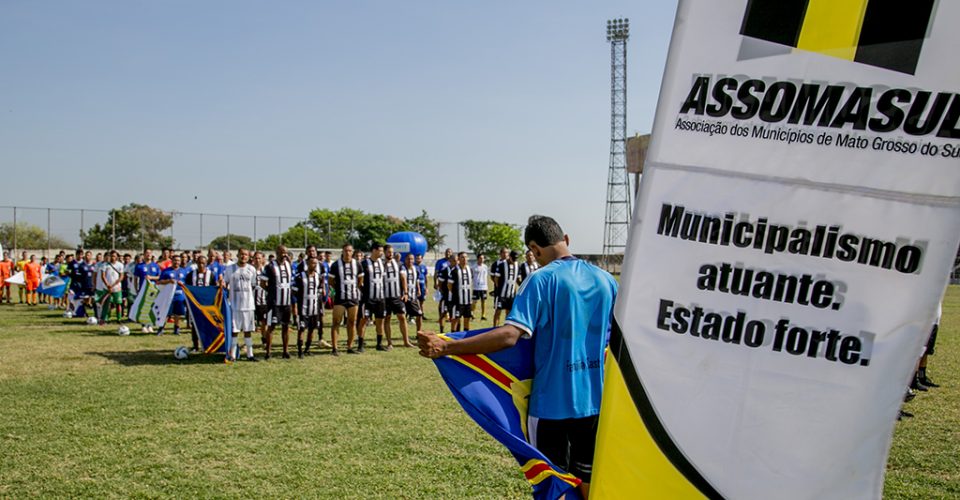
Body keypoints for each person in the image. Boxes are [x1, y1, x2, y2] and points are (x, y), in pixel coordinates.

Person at [419, 216, 617, 497]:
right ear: (566, 240)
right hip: (595, 402)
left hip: (552, 405)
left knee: (553, 482)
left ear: (534, 250)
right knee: (590, 480)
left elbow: (510, 336)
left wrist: (445, 347)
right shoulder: (606, 279)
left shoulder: (540, 279)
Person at [222, 248, 259, 362]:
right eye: (242, 254)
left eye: (246, 255)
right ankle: (232, 355)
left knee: (248, 330)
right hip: (235, 305)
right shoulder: (230, 269)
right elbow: (225, 283)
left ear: (248, 257)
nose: (244, 256)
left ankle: (250, 354)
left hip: (248, 305)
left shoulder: (252, 269)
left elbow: (253, 285)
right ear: (237, 255)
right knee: (235, 330)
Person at [262, 245, 294, 359]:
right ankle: (268, 352)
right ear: (277, 253)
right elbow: (263, 283)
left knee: (286, 327)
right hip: (274, 303)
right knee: (271, 326)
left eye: (285, 252)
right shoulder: (270, 266)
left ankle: (285, 351)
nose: (284, 254)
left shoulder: (289, 265)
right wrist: (272, 291)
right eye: (282, 252)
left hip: (286, 302)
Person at [329, 244, 362, 356]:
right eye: (346, 250)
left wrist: (354, 288)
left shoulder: (357, 264)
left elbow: (360, 279)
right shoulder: (335, 265)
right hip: (340, 298)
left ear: (352, 252)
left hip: (353, 297)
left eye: (350, 251)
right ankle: (334, 348)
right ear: (342, 251)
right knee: (336, 322)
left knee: (352, 322)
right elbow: (331, 281)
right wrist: (339, 289)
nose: (348, 253)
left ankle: (350, 346)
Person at [292, 256, 325, 358]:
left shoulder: (318, 277)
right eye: (311, 263)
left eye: (315, 263)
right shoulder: (300, 276)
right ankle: (300, 351)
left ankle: (307, 349)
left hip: (314, 308)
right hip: (303, 308)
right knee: (301, 329)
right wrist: (298, 303)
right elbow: (294, 291)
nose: (313, 265)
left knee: (312, 329)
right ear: (307, 264)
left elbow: (320, 291)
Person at [359, 243, 389, 351]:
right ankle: (360, 345)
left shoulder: (383, 263)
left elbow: (383, 280)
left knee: (380, 321)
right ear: (373, 250)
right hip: (367, 298)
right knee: (363, 320)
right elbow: (359, 281)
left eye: (382, 251)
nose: (381, 253)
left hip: (380, 298)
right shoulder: (364, 263)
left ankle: (379, 344)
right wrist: (363, 293)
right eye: (380, 251)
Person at [382, 244, 413, 348]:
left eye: (392, 252)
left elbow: (403, 278)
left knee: (402, 317)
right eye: (389, 252)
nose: (391, 254)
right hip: (385, 297)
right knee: (387, 318)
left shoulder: (399, 264)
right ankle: (389, 343)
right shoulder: (381, 264)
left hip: (397, 296)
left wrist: (405, 292)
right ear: (384, 252)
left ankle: (406, 341)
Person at [185, 255, 217, 352]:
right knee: (195, 325)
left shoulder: (211, 274)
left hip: (206, 304)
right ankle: (195, 345)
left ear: (206, 264)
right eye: (199, 263)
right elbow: (187, 288)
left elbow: (213, 289)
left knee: (207, 325)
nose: (201, 265)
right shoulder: (191, 274)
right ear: (196, 263)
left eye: (203, 263)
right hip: (194, 304)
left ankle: (208, 345)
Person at [157, 254, 188, 336]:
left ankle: (177, 328)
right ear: (172, 261)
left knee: (177, 313)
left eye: (178, 260)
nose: (176, 262)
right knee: (166, 312)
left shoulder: (184, 271)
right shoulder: (166, 271)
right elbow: (159, 282)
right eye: (175, 260)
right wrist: (168, 281)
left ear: (180, 261)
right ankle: (161, 328)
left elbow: (188, 283)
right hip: (168, 294)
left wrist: (182, 285)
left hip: (179, 294)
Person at [445, 252, 473, 332]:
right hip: (457, 301)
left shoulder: (470, 270)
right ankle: (453, 338)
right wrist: (455, 294)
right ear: (459, 259)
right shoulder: (454, 271)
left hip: (467, 300)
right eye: (462, 257)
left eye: (465, 257)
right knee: (455, 319)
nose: (464, 259)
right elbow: (449, 285)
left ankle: (465, 338)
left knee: (467, 319)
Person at [490, 249, 519, 327]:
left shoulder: (517, 265)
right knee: (498, 311)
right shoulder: (501, 265)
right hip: (501, 294)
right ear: (510, 257)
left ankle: (506, 328)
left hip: (511, 294)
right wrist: (499, 288)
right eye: (513, 258)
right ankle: (494, 329)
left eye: (516, 259)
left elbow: (517, 280)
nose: (514, 260)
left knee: (509, 312)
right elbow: (496, 279)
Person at [97, 251, 124, 324]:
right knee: (107, 304)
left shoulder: (120, 265)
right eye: (111, 256)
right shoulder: (105, 265)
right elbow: (103, 276)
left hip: (117, 288)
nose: (113, 258)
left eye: (114, 256)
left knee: (118, 303)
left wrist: (115, 284)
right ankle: (106, 318)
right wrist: (107, 285)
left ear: (117, 257)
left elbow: (121, 276)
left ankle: (119, 319)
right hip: (107, 288)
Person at [434, 248, 454, 332]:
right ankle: (441, 330)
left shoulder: (457, 268)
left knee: (454, 313)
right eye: (447, 252)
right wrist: (436, 283)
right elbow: (436, 273)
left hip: (453, 294)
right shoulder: (441, 263)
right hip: (445, 291)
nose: (448, 253)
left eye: (450, 252)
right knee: (442, 308)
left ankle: (454, 331)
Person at [404, 253, 424, 332]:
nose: (410, 261)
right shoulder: (402, 268)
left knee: (419, 314)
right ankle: (405, 336)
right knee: (402, 317)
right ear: (405, 260)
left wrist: (418, 289)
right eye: (408, 259)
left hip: (413, 296)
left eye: (411, 259)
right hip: (404, 296)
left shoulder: (415, 269)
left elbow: (417, 280)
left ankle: (419, 333)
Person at [472, 254, 489, 321]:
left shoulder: (485, 267)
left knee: (483, 301)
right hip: (476, 287)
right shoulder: (474, 267)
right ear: (477, 259)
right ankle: (472, 313)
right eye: (480, 258)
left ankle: (483, 315)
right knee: (475, 301)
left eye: (483, 258)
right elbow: (472, 276)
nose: (481, 260)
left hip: (484, 287)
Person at [415, 254, 428, 319]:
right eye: (417, 258)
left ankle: (422, 314)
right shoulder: (413, 266)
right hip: (415, 285)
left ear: (421, 259)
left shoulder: (424, 267)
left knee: (421, 301)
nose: (418, 260)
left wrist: (426, 288)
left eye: (419, 258)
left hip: (422, 285)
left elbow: (426, 277)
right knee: (415, 301)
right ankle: (414, 315)